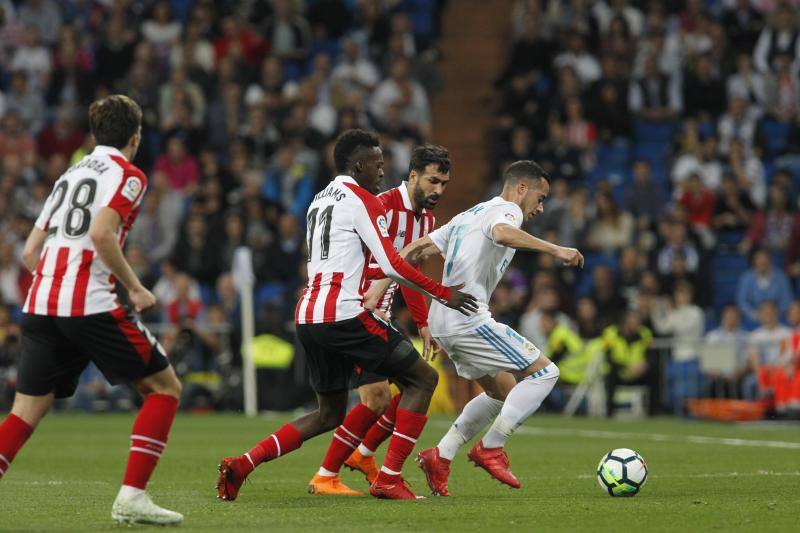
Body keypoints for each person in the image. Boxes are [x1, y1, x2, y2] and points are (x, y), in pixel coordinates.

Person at [216, 129, 477, 501]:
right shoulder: (368, 201)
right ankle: (386, 476)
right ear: (359, 165)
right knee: (422, 380)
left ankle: (243, 463)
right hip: (348, 313)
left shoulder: (318, 200)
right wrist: (444, 294)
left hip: (309, 314)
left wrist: (421, 318)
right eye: (378, 164)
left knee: (330, 413)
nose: (383, 172)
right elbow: (392, 264)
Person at [0, 95, 184, 525]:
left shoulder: (70, 174)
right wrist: (135, 288)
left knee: (26, 410)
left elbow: (30, 251)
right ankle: (132, 497)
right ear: (135, 137)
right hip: (88, 302)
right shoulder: (129, 175)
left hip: (41, 303)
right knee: (165, 388)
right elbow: (102, 232)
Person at [380, 160, 583, 496]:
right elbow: (502, 232)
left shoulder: (470, 214)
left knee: (501, 391)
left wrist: (379, 286)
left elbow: (415, 250)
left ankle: (440, 455)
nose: (541, 207)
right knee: (545, 374)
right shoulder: (508, 211)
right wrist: (555, 248)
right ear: (522, 188)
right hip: (468, 318)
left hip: (442, 318)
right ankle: (492, 447)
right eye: (540, 197)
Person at [306, 144, 451, 494]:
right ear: (413, 175)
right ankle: (329, 472)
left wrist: (424, 322)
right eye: (433, 181)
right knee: (380, 397)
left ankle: (362, 456)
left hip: (380, 314)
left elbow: (408, 271)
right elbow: (370, 260)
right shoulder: (381, 204)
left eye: (444, 184)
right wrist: (370, 295)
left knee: (404, 390)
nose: (438, 191)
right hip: (356, 311)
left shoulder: (426, 220)